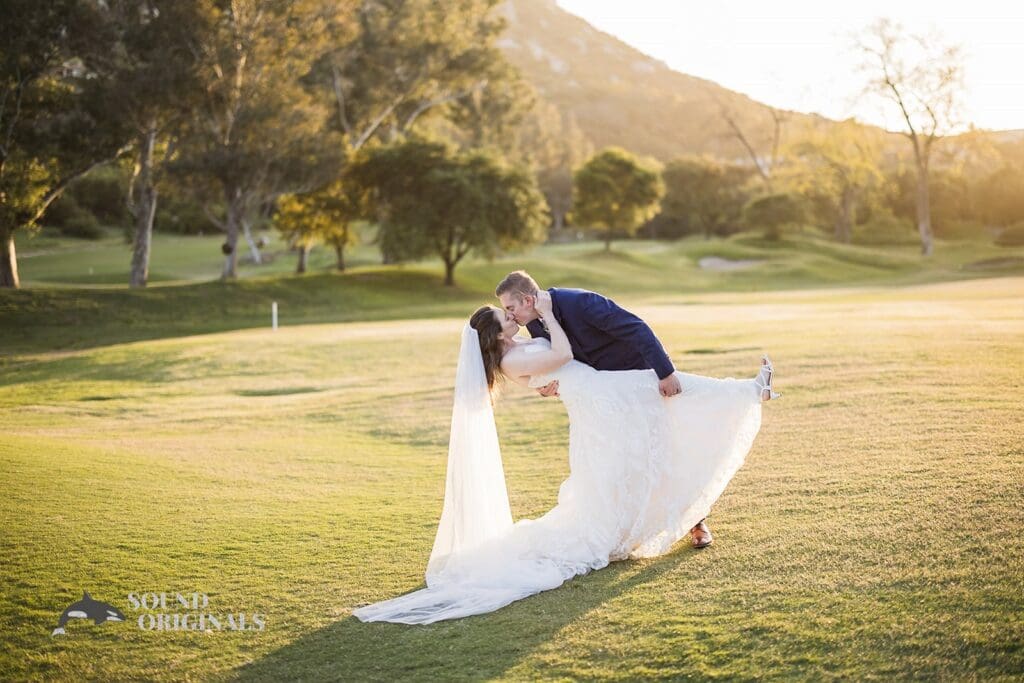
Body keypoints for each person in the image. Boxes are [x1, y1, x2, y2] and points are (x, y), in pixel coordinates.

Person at [351, 280, 778, 625]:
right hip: (597, 396)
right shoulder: (523, 343)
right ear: (497, 331)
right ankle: (746, 393)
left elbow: (621, 332)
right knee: (638, 447)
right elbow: (561, 355)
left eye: (512, 309)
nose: (514, 317)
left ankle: (747, 392)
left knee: (668, 398)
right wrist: (548, 343)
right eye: (507, 316)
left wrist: (546, 377)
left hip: (605, 386)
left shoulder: (554, 319)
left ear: (526, 300)